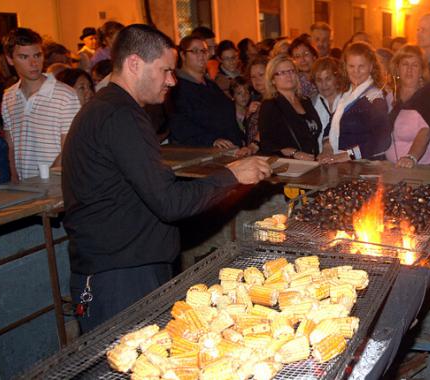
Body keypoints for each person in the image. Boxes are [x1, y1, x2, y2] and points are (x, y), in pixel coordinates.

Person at [63, 24, 271, 332]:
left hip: (131, 265)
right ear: (134, 64)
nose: (172, 80)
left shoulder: (116, 108)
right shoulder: (119, 115)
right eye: (165, 71)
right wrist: (231, 175)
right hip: (119, 277)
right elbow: (169, 201)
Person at [1, 27, 81, 181]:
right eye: (24, 57)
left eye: (37, 55)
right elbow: (10, 145)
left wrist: (45, 180)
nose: (33, 63)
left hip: (57, 184)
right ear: (10, 59)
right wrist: (14, 179)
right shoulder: (8, 96)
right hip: (24, 187)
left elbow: (69, 148)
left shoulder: (65, 95)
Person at [166, 36, 245, 150]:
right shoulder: (176, 88)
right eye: (194, 51)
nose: (201, 56)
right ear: (183, 55)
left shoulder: (210, 85)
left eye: (204, 51)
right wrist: (211, 140)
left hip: (232, 148)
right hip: (204, 151)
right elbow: (180, 125)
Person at [320, 42, 390, 162]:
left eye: (361, 66)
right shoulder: (346, 94)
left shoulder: (375, 98)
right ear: (345, 67)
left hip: (366, 167)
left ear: (371, 67)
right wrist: (327, 147)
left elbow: (383, 139)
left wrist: (348, 155)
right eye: (351, 66)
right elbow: (332, 125)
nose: (356, 71)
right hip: (342, 164)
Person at [258, 54, 321, 160]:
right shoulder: (270, 105)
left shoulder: (305, 101)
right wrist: (293, 153)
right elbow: (266, 143)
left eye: (291, 71)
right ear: (272, 80)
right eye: (282, 73)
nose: (289, 75)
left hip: (313, 161)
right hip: (290, 165)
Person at [385, 45, 430, 168]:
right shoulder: (390, 97)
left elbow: (426, 132)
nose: (409, 70)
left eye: (415, 65)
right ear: (397, 68)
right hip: (391, 168)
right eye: (405, 64)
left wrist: (411, 157)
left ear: (422, 70)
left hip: (418, 168)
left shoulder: (427, 97)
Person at [310, 56, 345, 151]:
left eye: (328, 79)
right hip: (320, 159)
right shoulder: (310, 104)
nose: (324, 84)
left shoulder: (347, 100)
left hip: (346, 158)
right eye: (319, 80)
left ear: (337, 78)